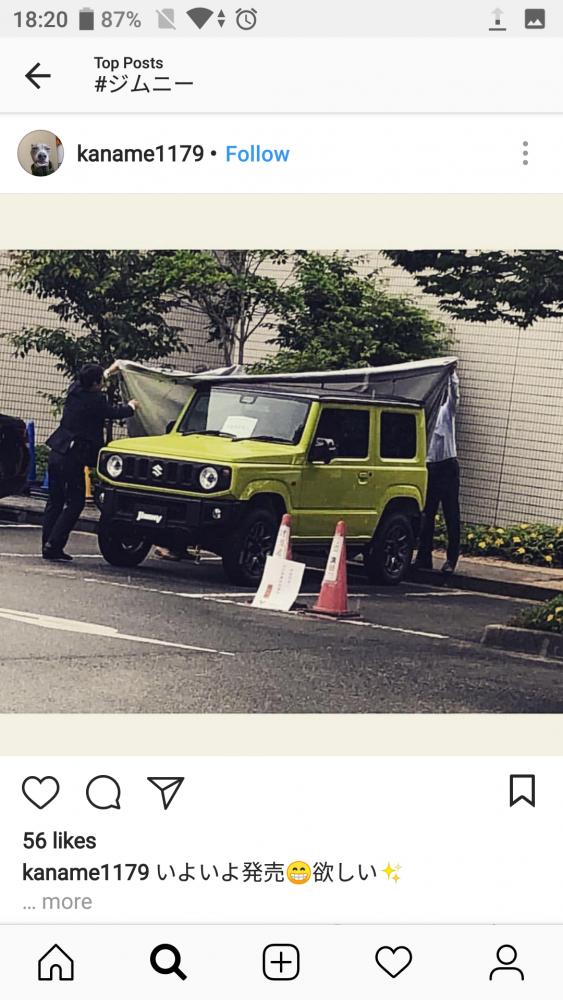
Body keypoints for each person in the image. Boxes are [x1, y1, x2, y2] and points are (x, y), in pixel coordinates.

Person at [42, 362, 138, 561]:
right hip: (73, 457)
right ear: (94, 384)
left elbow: (86, 382)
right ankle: (54, 544)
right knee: (76, 502)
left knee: (55, 500)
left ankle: (47, 544)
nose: (103, 383)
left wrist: (109, 371)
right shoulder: (95, 400)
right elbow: (113, 412)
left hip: (57, 450)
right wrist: (131, 407)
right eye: (100, 381)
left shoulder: (75, 390)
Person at [415, 367, 461, 575]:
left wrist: (451, 375)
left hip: (447, 466)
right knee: (427, 514)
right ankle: (423, 557)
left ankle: (451, 559)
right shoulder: (423, 414)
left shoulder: (445, 411)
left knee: (451, 514)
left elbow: (454, 396)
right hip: (429, 467)